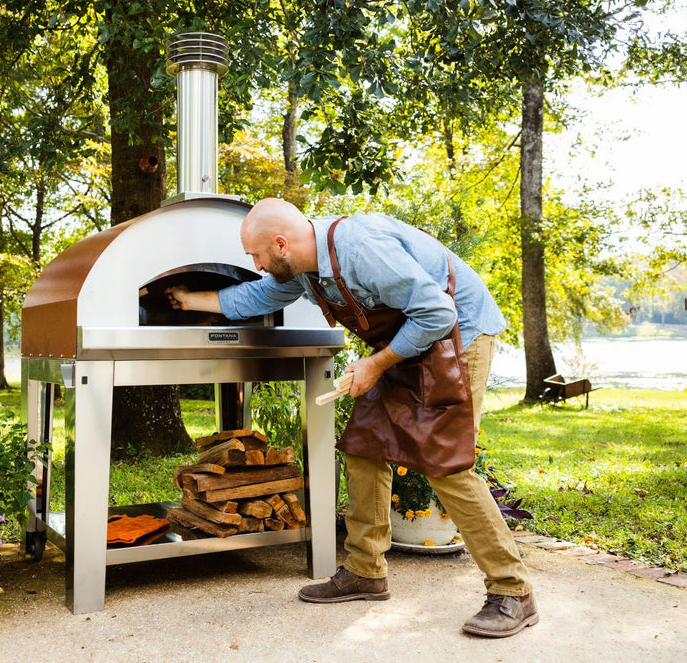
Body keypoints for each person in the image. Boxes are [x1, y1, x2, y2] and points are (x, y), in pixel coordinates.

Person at [166, 198, 537, 638]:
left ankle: (513, 591)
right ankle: (366, 570)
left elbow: (438, 312)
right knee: (364, 446)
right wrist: (190, 301)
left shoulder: (361, 250)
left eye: (256, 255)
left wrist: (377, 363)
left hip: (457, 337)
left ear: (281, 245)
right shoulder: (305, 268)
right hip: (409, 340)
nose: (255, 264)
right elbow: (259, 294)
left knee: (446, 465)